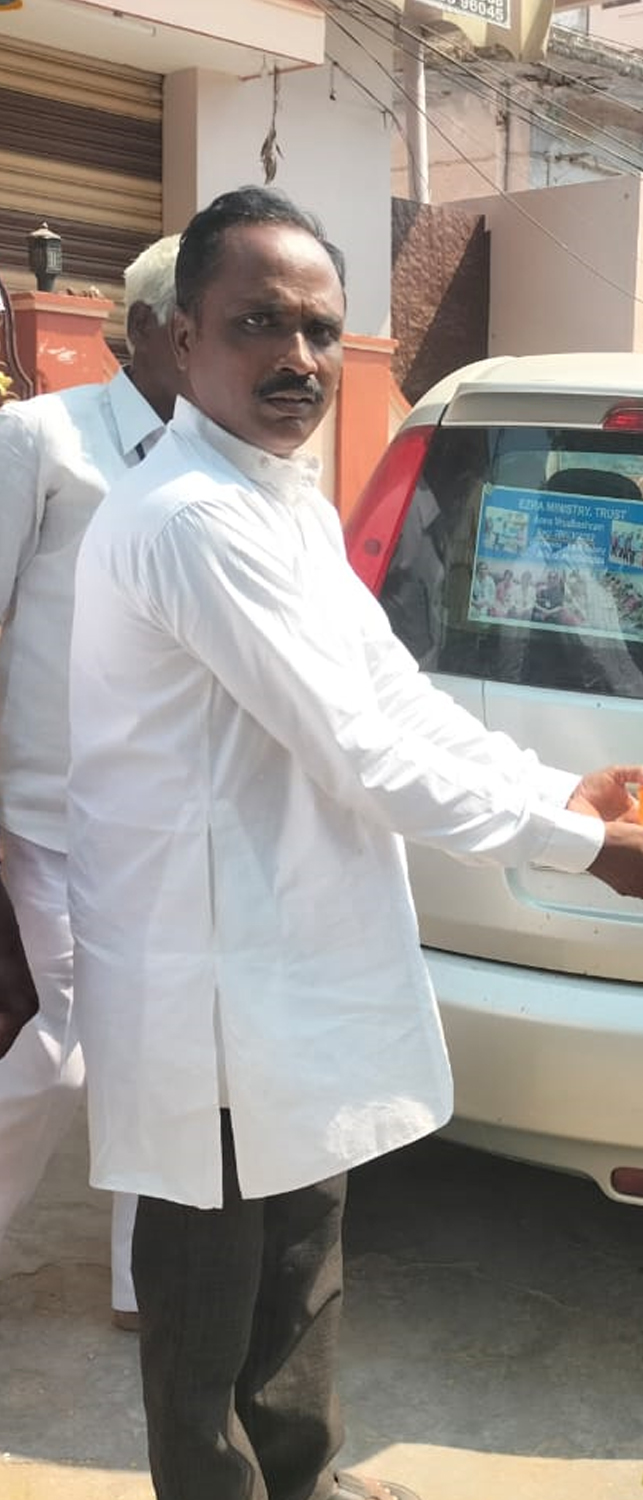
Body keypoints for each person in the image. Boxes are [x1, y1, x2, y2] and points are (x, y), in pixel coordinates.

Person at [65, 186, 643, 1500]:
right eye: (258, 324)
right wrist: (576, 848)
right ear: (182, 339)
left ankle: (304, 1484)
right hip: (209, 990)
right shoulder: (191, 519)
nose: (296, 358)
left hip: (286, 966)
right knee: (209, 1315)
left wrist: (565, 798)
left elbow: (395, 696)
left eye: (318, 329)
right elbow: (362, 748)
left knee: (301, 1271)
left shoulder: (280, 503)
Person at [0, 233, 184, 1332]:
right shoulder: (42, 439)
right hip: (50, 814)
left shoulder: (226, 464)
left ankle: (139, 1283)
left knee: (155, 1051)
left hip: (175, 822)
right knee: (57, 1051)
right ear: (153, 329)